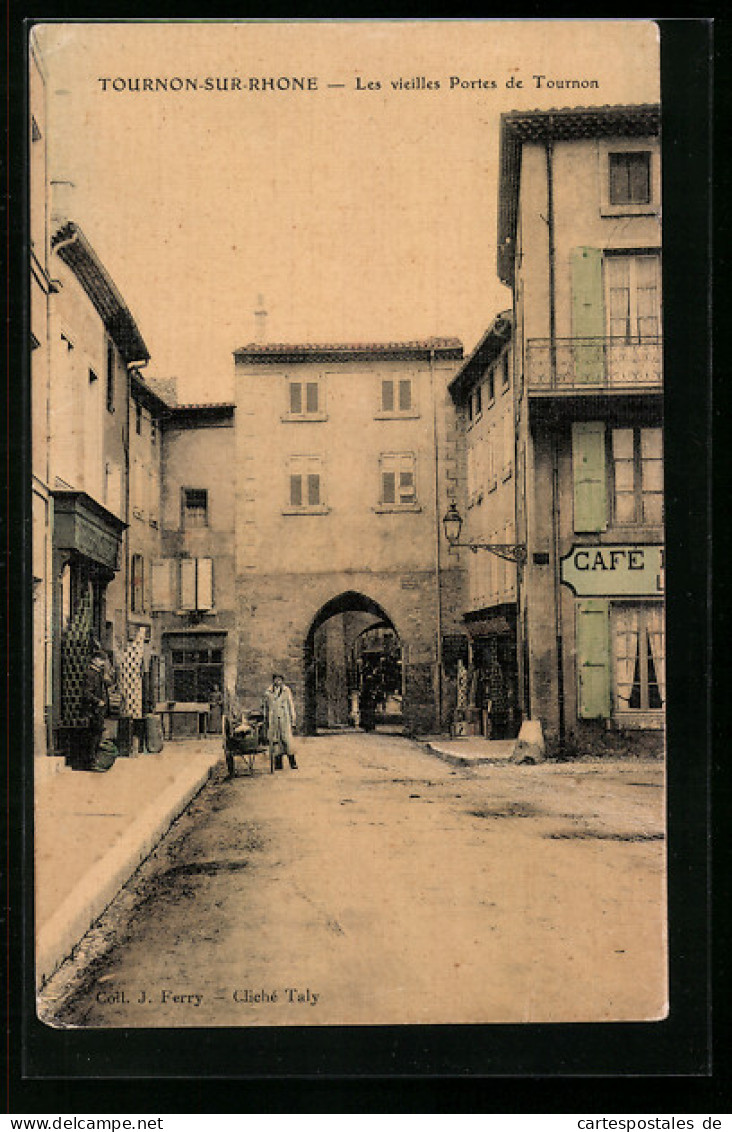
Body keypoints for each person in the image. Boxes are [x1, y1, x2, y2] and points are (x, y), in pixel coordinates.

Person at [262, 673, 298, 770]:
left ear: (282, 681)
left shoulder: (286, 691)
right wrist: (266, 719)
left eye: (280, 679)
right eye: (276, 679)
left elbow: (291, 705)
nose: (278, 681)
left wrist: (293, 719)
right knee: (275, 740)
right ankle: (278, 763)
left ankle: (292, 762)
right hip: (273, 719)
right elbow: (265, 707)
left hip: (284, 718)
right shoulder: (268, 692)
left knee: (287, 740)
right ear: (273, 680)